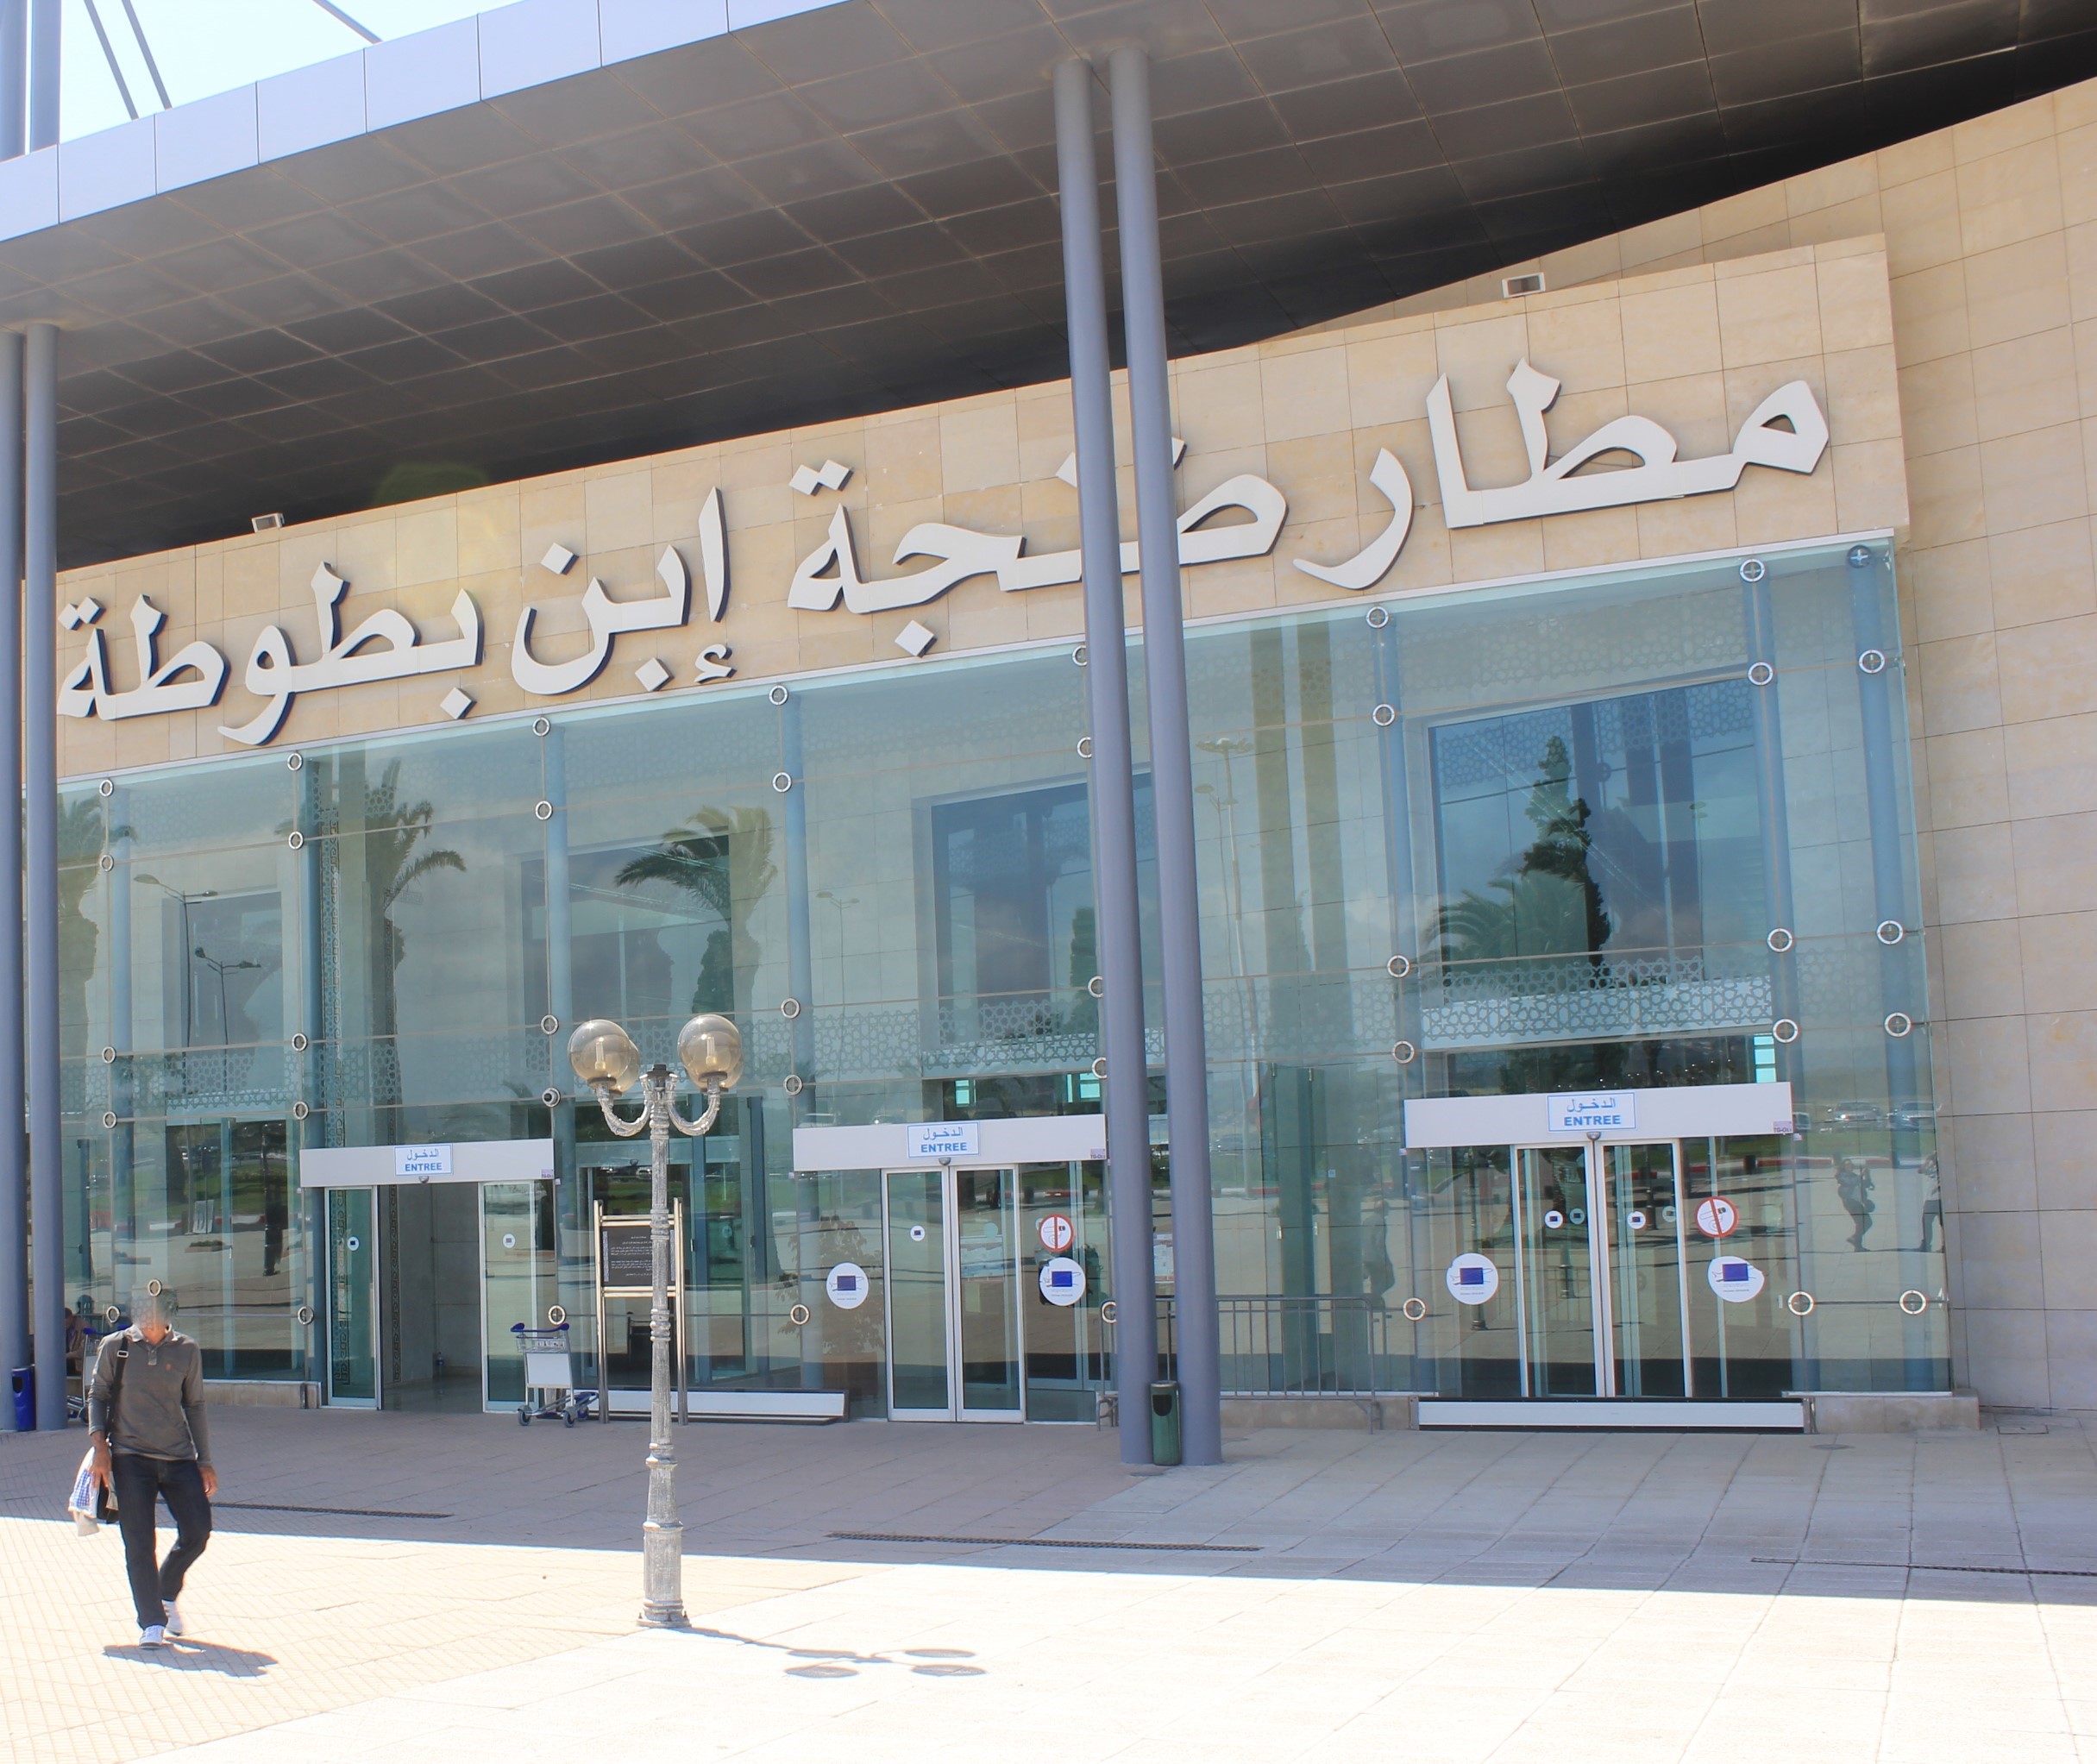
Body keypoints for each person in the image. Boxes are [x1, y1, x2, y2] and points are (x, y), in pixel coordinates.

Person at [86, 1291, 216, 1649]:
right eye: (140, 1309)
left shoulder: (186, 1349)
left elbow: (196, 1404)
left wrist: (205, 1460)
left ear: (169, 1312)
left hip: (178, 1457)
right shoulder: (118, 1346)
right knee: (139, 1542)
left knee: (198, 1529)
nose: (145, 1316)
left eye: (153, 1310)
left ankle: (166, 1591)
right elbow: (97, 1394)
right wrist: (100, 1447)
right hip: (131, 1458)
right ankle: (151, 1622)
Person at [1836, 1158, 1876, 1252]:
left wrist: (1867, 1176)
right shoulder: (1841, 1177)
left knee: (1864, 1223)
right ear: (1843, 1167)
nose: (1850, 1166)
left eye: (1850, 1165)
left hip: (1858, 1202)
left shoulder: (1854, 1176)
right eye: (1847, 1165)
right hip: (1851, 1203)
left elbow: (1865, 1184)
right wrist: (1861, 1175)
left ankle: (1857, 1245)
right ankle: (1855, 1240)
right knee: (1864, 1223)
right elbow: (1851, 1183)